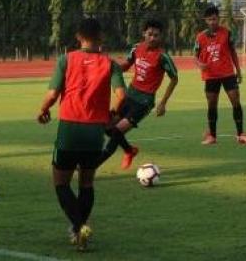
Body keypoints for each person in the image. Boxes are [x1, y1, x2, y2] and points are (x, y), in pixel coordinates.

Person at [37, 18, 126, 251]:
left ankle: (78, 226)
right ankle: (79, 235)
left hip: (69, 129)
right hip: (94, 133)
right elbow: (122, 95)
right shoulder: (110, 64)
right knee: (86, 183)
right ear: (101, 37)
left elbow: (53, 93)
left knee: (61, 183)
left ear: (78, 36)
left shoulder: (66, 60)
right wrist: (113, 115)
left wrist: (43, 109)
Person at [99, 19, 179, 170]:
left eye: (156, 35)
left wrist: (163, 103)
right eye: (150, 34)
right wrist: (110, 68)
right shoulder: (136, 49)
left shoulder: (163, 57)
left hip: (144, 102)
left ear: (160, 36)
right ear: (144, 33)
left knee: (116, 132)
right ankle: (130, 151)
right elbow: (126, 66)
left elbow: (174, 79)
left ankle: (92, 165)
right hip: (129, 96)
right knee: (107, 128)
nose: (153, 38)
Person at [194, 5, 246, 145]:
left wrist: (238, 71)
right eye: (209, 20)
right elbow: (195, 57)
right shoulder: (200, 37)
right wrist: (200, 65)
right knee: (212, 105)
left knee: (236, 101)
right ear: (205, 20)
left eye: (214, 19)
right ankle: (212, 136)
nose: (212, 22)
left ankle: (241, 134)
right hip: (210, 76)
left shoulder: (226, 33)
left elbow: (233, 52)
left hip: (227, 74)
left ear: (218, 18)